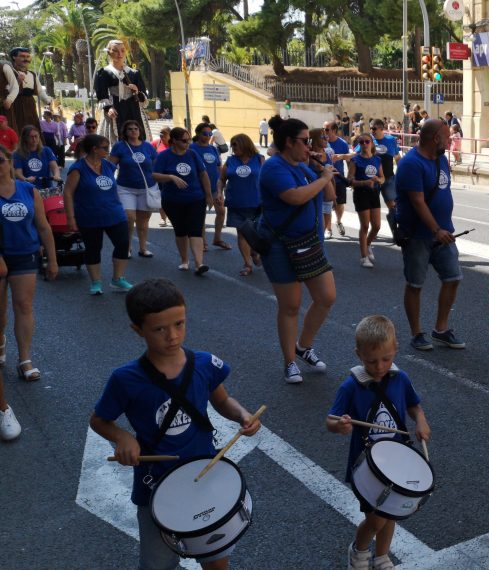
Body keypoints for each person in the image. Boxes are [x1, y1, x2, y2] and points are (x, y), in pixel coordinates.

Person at [90, 278, 262, 570]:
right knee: (158, 565)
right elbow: (99, 421)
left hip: (204, 474)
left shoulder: (204, 364)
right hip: (155, 484)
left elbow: (222, 401)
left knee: (216, 559)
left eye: (179, 324)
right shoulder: (125, 379)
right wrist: (122, 438)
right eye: (159, 329)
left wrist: (243, 415)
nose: (172, 335)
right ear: (138, 330)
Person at [327, 315, 430, 570]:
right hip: (367, 467)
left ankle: (382, 556)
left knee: (390, 513)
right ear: (358, 354)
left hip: (396, 462)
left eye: (386, 358)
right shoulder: (351, 386)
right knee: (375, 520)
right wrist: (340, 425)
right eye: (371, 361)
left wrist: (421, 421)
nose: (380, 366)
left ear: (395, 349)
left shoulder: (400, 378)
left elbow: (415, 406)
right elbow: (331, 419)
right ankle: (359, 552)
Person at [259, 116, 337, 384]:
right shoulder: (273, 167)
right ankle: (289, 361)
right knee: (290, 306)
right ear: (289, 142)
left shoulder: (305, 166)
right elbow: (295, 197)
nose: (309, 146)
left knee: (326, 296)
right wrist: (323, 176)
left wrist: (321, 169)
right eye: (304, 141)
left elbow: (329, 196)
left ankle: (303, 346)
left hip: (310, 243)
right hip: (282, 245)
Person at [395, 119, 464, 352]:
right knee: (415, 284)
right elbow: (417, 202)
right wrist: (436, 230)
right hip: (419, 235)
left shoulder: (441, 159)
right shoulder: (411, 164)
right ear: (435, 138)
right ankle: (417, 333)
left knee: (453, 277)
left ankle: (441, 330)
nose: (450, 140)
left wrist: (444, 228)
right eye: (447, 137)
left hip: (444, 232)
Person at [0, 144, 52, 385]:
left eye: (1, 161)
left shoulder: (28, 190)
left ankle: (24, 360)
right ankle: (1, 340)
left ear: (9, 162)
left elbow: (43, 226)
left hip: (25, 254)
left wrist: (52, 259)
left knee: (23, 305)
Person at [63, 134, 134, 295]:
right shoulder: (78, 169)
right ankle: (96, 282)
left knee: (123, 243)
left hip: (114, 213)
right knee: (94, 248)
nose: (108, 151)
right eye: (105, 148)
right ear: (94, 149)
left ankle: (117, 279)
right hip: (89, 215)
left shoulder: (108, 166)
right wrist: (70, 218)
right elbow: (67, 193)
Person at [153, 127, 212, 274]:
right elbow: (154, 175)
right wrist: (171, 177)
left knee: (195, 230)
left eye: (189, 140)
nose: (188, 143)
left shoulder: (192, 154)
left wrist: (209, 195)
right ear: (174, 141)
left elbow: (203, 174)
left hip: (196, 198)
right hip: (173, 200)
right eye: (184, 140)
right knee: (180, 231)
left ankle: (199, 264)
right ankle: (184, 260)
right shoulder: (164, 156)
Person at [108, 120, 159, 258]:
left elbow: (156, 166)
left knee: (143, 221)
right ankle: (127, 247)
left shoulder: (148, 147)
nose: (133, 131)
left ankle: (143, 248)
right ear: (125, 132)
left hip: (146, 188)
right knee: (129, 217)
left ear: (140, 131)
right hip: (125, 188)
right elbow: (110, 167)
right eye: (130, 129)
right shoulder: (120, 147)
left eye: (136, 128)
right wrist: (108, 184)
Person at [218, 134, 263, 276]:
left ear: (244, 144)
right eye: (232, 145)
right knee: (242, 233)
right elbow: (222, 179)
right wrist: (219, 192)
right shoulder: (231, 161)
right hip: (236, 203)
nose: (233, 148)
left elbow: (267, 178)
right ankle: (247, 264)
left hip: (257, 203)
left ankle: (254, 251)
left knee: (256, 233)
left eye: (235, 145)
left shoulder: (259, 159)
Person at [94, 40, 149, 144]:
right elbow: (102, 95)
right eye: (115, 51)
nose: (120, 54)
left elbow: (143, 97)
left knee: (138, 137)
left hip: (134, 109)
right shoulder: (103, 73)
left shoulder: (134, 73)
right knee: (115, 139)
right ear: (109, 52)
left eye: (122, 51)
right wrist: (108, 108)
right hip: (115, 110)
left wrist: (137, 91)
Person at [191, 123, 227, 250]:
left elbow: (219, 167)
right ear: (198, 133)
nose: (208, 136)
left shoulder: (213, 149)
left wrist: (221, 188)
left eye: (210, 134)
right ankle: (203, 242)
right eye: (205, 134)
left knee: (221, 212)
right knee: (201, 215)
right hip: (199, 188)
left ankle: (217, 239)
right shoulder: (191, 148)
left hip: (214, 187)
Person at [349, 134, 384, 268]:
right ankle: (364, 257)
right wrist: (364, 182)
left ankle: (367, 244)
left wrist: (378, 180)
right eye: (361, 142)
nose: (364, 144)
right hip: (361, 194)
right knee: (365, 226)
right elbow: (350, 180)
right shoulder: (355, 160)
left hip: (374, 193)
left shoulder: (377, 159)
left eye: (367, 141)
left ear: (372, 144)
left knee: (377, 226)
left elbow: (383, 178)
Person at [1, 48, 52, 134]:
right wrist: (18, 81)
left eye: (28, 56)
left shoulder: (32, 74)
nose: (26, 59)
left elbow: (39, 90)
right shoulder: (9, 72)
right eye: (22, 56)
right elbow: (6, 89)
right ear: (14, 57)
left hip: (30, 105)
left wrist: (47, 100)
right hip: (15, 105)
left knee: (33, 128)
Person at [324, 120, 352, 238]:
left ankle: (338, 221)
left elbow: (349, 161)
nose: (324, 132)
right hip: (326, 179)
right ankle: (328, 228)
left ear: (334, 130)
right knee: (327, 205)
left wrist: (350, 177)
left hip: (339, 179)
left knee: (339, 205)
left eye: (326, 129)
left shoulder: (343, 144)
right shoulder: (321, 142)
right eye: (323, 129)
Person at [13, 125, 61, 189]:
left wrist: (56, 175)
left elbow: (54, 167)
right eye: (31, 137)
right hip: (27, 188)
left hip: (46, 188)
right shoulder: (17, 153)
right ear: (25, 138)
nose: (34, 139)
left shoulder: (46, 150)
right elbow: (18, 172)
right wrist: (25, 179)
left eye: (36, 136)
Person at [371, 121, 401, 215]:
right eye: (371, 128)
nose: (372, 131)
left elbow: (397, 157)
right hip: (373, 180)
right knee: (373, 208)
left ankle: (395, 228)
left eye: (374, 128)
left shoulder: (391, 140)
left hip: (389, 178)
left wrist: (401, 173)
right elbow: (356, 154)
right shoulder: (368, 140)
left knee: (393, 206)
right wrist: (342, 156)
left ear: (381, 129)